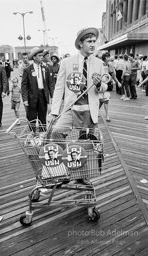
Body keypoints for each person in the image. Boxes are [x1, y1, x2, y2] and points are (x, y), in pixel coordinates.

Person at [50, 27, 108, 185]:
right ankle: (65, 169)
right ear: (80, 43)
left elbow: (104, 87)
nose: (92, 44)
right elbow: (59, 88)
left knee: (85, 142)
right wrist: (54, 111)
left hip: (90, 110)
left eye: (94, 41)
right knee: (57, 132)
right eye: (89, 41)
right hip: (71, 109)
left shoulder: (99, 63)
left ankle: (82, 175)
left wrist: (99, 85)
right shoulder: (66, 63)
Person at [21, 47, 54, 130]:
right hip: (32, 97)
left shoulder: (46, 69)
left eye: (42, 55)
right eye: (39, 55)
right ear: (34, 57)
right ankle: (33, 135)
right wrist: (25, 99)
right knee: (31, 118)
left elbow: (50, 84)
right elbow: (24, 85)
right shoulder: (27, 70)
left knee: (42, 118)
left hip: (43, 95)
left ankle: (42, 136)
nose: (42, 57)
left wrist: (53, 97)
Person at [99, 53, 121, 122]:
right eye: (109, 57)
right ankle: (96, 112)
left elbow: (113, 75)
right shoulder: (99, 64)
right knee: (100, 100)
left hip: (107, 85)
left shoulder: (110, 65)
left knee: (106, 100)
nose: (110, 58)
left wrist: (118, 82)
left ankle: (107, 116)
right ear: (105, 57)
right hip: (100, 85)